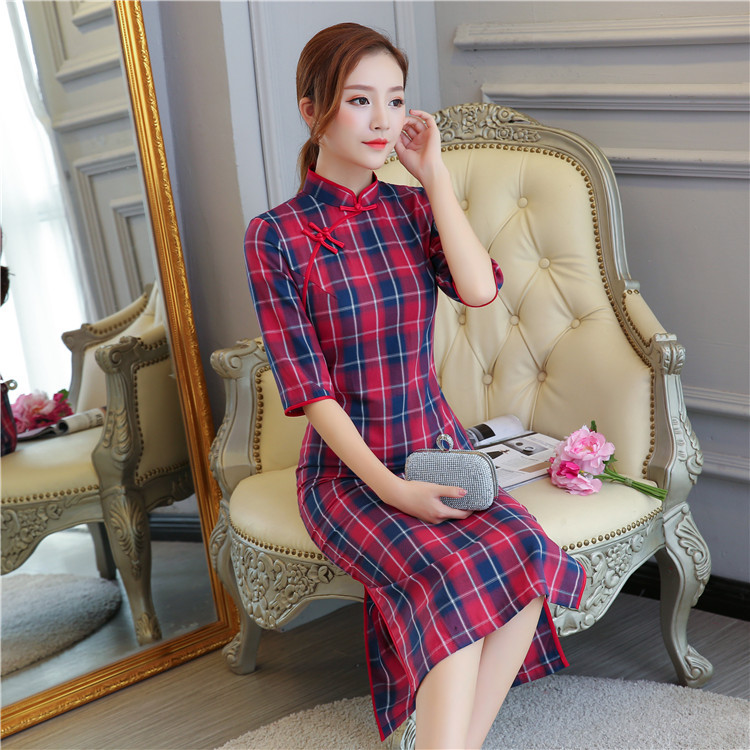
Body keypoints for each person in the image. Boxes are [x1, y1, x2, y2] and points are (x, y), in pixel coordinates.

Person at [244, 23, 586, 750]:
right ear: (311, 110)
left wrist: (435, 178)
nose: (381, 120)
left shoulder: (410, 208)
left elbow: (479, 290)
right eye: (358, 100)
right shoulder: (275, 236)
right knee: (450, 575)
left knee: (529, 557)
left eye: (394, 100)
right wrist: (393, 490)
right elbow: (310, 390)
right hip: (349, 473)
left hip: (437, 449)